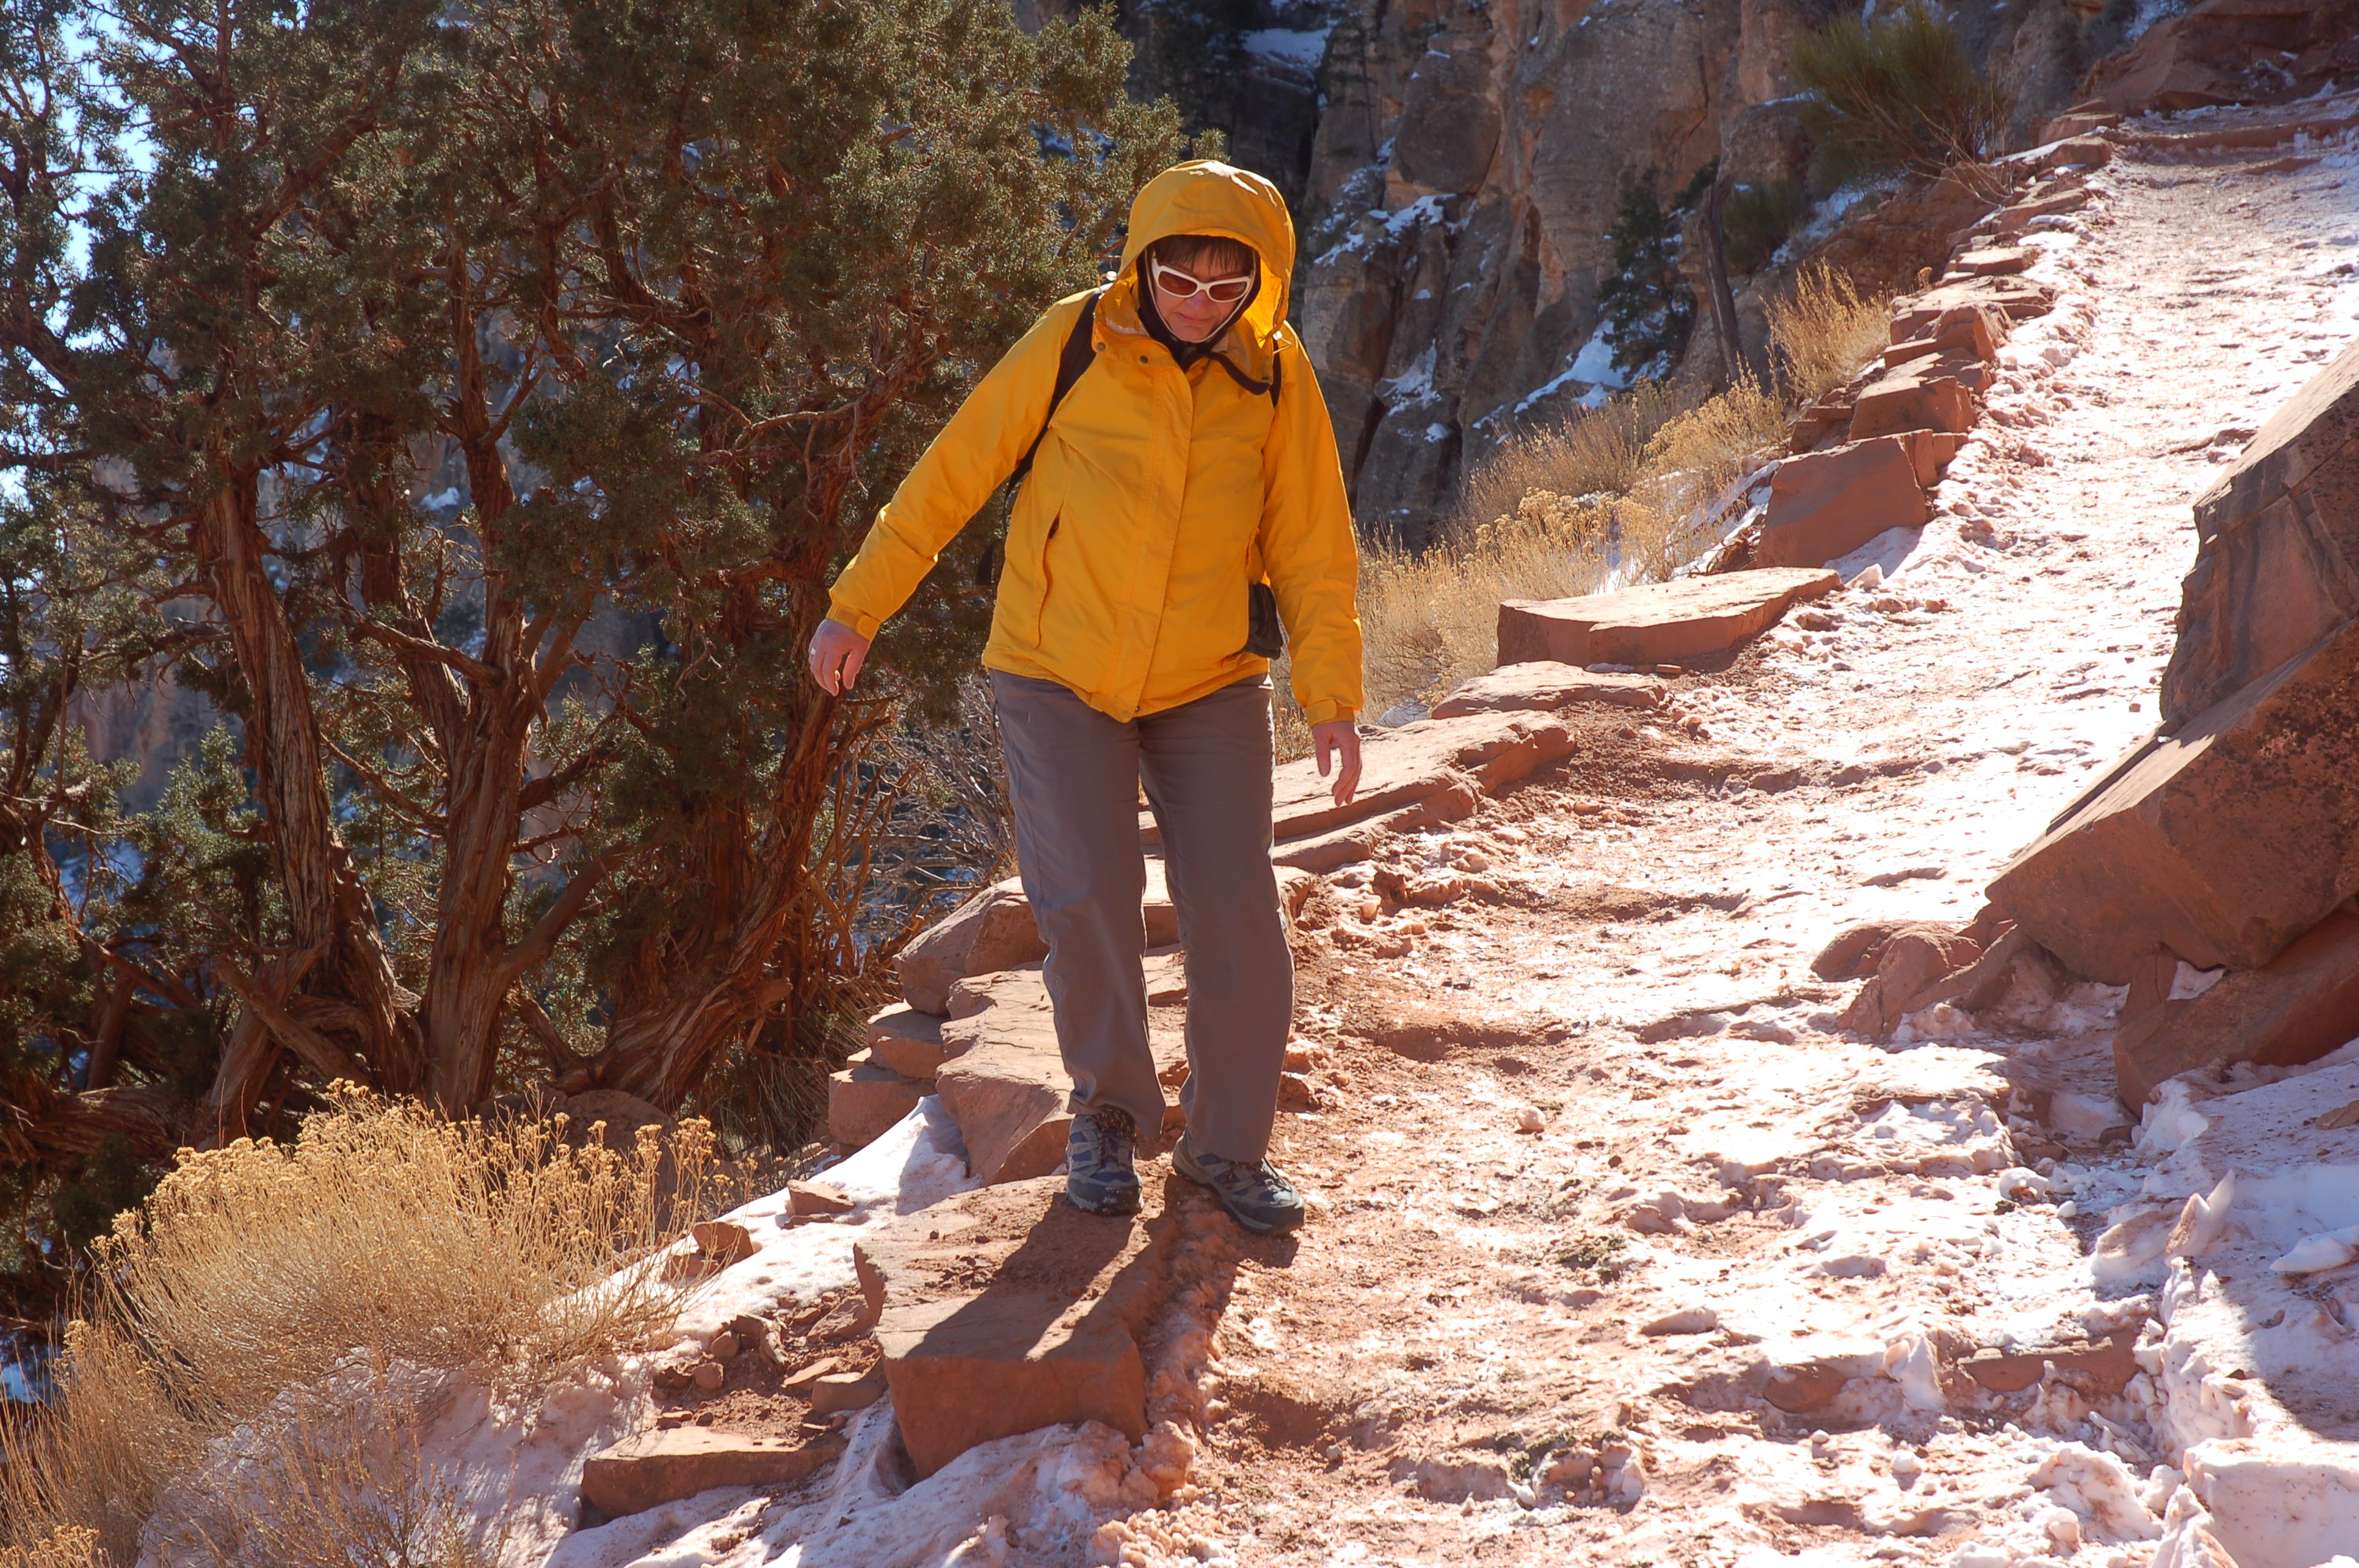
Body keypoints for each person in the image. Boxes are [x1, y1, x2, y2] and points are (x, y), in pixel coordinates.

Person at [808, 160, 1363, 1234]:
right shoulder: (1074, 339)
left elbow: (1312, 543)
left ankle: (1225, 1150)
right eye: (1179, 279)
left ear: (1262, 284)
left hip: (1209, 678)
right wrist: (857, 606)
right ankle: (1108, 1118)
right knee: (1090, 904)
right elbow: (955, 470)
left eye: (1226, 286)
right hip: (1055, 671)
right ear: (1141, 264)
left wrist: (1331, 694)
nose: (1198, 303)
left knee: (1239, 915)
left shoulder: (1277, 375)